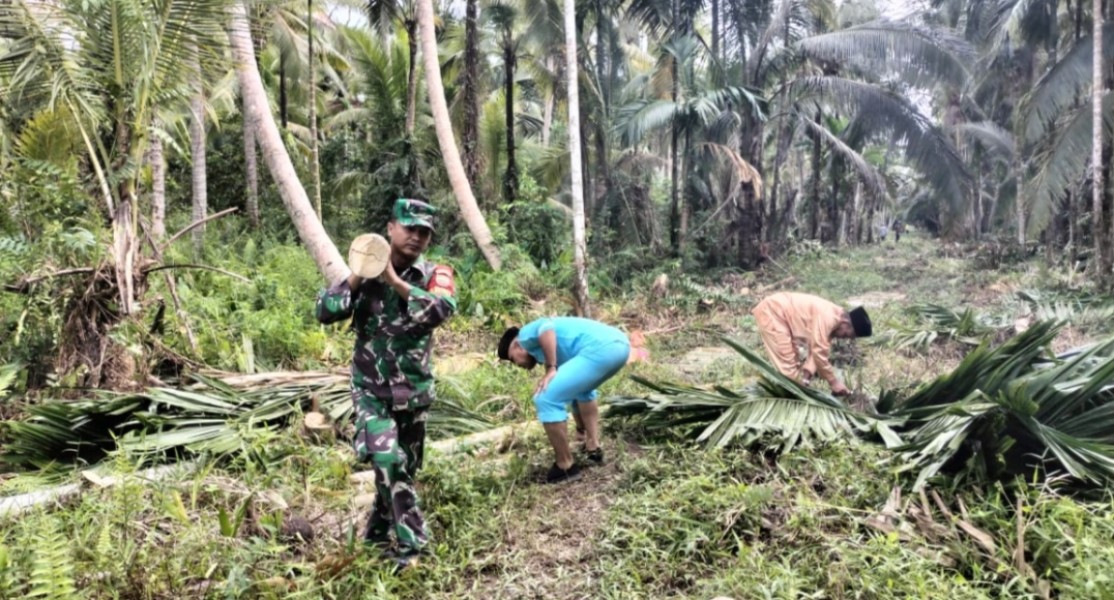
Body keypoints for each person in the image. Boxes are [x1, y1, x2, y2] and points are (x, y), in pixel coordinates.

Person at [315, 199, 456, 568]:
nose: (416, 236)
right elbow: (324, 312)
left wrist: (392, 280)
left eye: (424, 232)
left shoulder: (435, 274)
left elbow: (440, 310)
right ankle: (414, 547)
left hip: (414, 392)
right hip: (370, 391)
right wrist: (361, 274)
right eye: (409, 228)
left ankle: (376, 536)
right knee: (388, 460)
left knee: (399, 470)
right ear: (390, 228)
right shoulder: (361, 276)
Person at [498, 317, 631, 483]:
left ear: (517, 345)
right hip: (620, 345)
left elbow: (546, 327)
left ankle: (565, 466)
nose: (516, 364)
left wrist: (551, 368)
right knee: (583, 391)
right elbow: (578, 394)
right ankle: (593, 448)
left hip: (601, 348)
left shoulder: (524, 336)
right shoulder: (560, 350)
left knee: (545, 398)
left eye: (512, 358)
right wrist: (580, 429)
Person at [751, 292, 872, 396]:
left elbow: (818, 351)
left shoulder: (836, 321)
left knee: (795, 371)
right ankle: (790, 404)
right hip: (773, 312)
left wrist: (806, 378)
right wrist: (834, 382)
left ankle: (796, 393)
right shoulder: (828, 316)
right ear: (846, 322)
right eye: (846, 335)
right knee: (788, 372)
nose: (842, 338)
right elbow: (818, 352)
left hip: (782, 317)